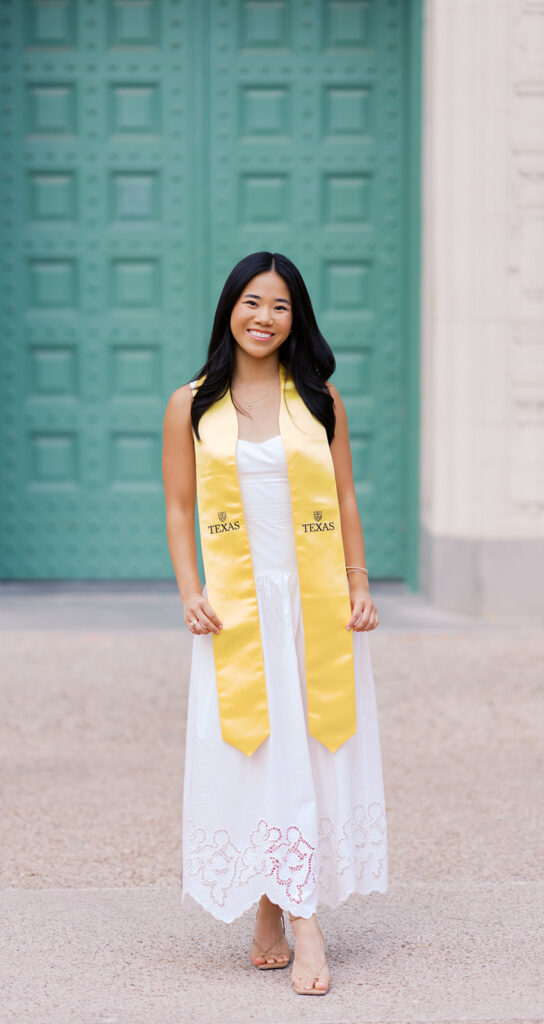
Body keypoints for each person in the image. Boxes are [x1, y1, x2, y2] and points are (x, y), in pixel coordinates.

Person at [162, 251, 388, 995]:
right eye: (252, 302)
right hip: (236, 609)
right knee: (260, 754)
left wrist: (358, 582)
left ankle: (284, 909)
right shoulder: (191, 404)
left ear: (298, 319)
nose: (264, 317)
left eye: (281, 306)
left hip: (313, 604)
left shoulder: (318, 400)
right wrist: (190, 591)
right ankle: (298, 917)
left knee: (308, 753)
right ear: (230, 308)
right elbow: (179, 507)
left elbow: (345, 497)